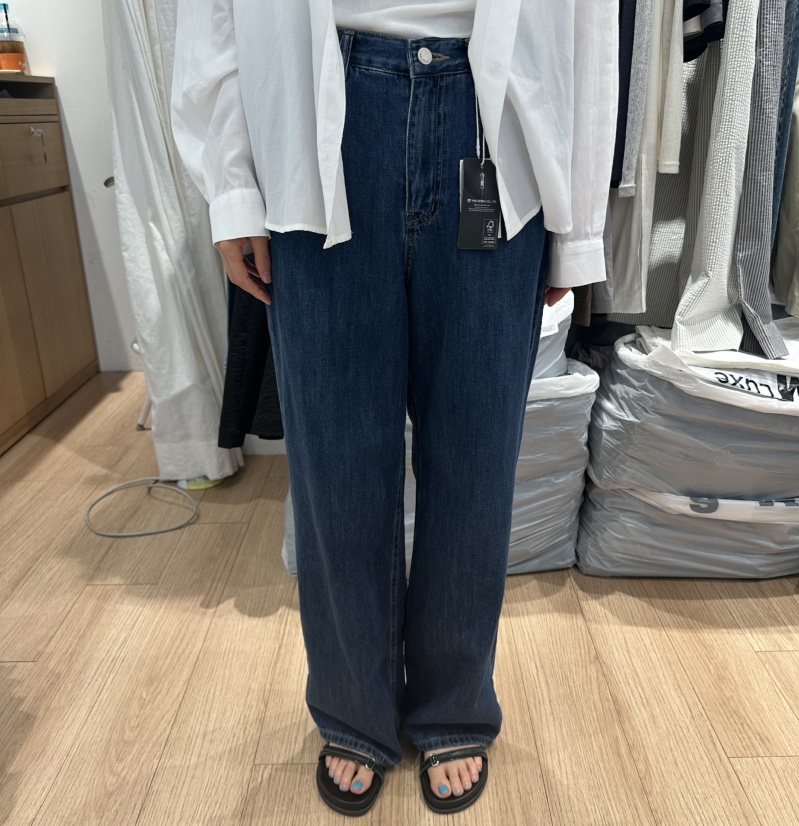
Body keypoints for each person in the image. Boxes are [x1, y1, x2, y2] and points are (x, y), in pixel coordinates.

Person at [172, 0, 617, 816]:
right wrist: (230, 186)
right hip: (315, 110)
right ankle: (355, 705)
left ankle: (453, 701)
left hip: (496, 120)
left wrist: (578, 220)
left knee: (475, 459)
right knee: (338, 467)